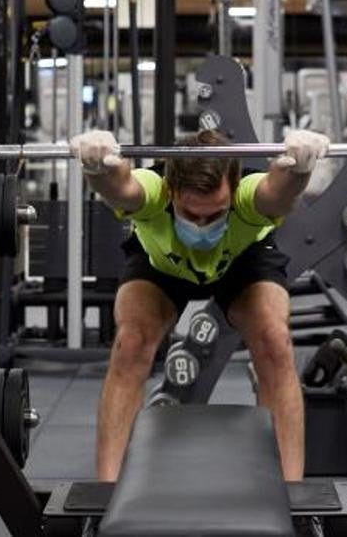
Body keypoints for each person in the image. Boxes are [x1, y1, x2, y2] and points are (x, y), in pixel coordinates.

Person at [70, 127, 330, 483]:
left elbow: (279, 194)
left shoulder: (246, 198)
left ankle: (290, 492)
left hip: (242, 261)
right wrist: (97, 168)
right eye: (191, 215)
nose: (203, 225)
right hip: (161, 264)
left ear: (234, 191)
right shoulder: (154, 192)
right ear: (171, 190)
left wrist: (299, 170)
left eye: (215, 214)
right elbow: (119, 188)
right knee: (130, 342)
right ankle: (107, 491)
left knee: (274, 341)